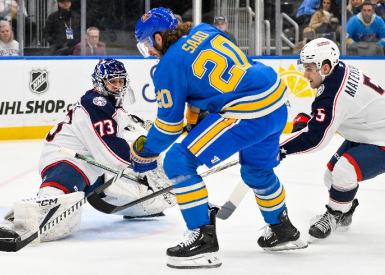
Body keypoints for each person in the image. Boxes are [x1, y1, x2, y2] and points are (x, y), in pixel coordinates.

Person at [132, 7, 307, 269]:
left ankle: (202, 240)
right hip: (276, 102)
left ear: (158, 38)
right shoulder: (204, 29)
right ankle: (283, 230)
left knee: (179, 162)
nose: (150, 52)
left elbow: (169, 127)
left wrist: (146, 152)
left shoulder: (167, 65)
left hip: (248, 112)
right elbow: (223, 76)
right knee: (257, 171)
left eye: (147, 45)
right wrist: (201, 113)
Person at [0, 58, 176, 251]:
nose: (117, 86)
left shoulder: (112, 106)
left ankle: (154, 204)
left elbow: (127, 130)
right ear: (100, 82)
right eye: (112, 81)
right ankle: (13, 226)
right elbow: (111, 152)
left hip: (94, 166)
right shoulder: (95, 104)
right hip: (68, 160)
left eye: (120, 81)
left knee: (140, 182)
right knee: (58, 197)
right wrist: (143, 158)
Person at [280, 38, 385, 241]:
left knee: (345, 171)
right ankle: (345, 212)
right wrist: (310, 121)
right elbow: (334, 114)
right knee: (330, 177)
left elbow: (316, 138)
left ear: (325, 66)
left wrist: (279, 149)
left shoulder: (332, 93)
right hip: (372, 130)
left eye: (309, 68)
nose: (305, 75)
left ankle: (334, 215)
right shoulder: (337, 73)